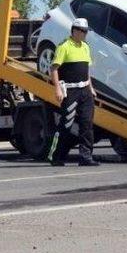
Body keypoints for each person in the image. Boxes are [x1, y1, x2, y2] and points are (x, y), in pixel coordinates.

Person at [47, 18, 99, 167]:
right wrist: (57, 88)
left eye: (86, 31)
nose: (84, 34)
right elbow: (54, 68)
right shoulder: (64, 46)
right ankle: (56, 156)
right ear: (74, 30)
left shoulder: (85, 47)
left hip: (85, 90)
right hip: (70, 90)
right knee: (66, 124)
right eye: (82, 31)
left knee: (87, 124)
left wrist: (91, 88)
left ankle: (85, 156)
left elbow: (86, 69)